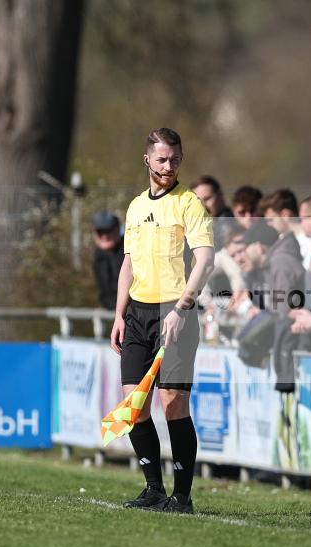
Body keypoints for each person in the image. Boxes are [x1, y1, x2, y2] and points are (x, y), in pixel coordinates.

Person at [110, 127, 215, 514]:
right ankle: (153, 489)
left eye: (174, 159)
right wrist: (119, 314)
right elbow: (128, 264)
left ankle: (182, 497)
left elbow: (205, 259)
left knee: (173, 403)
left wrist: (183, 307)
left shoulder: (189, 204)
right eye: (161, 159)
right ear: (147, 160)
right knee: (133, 405)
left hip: (176, 312)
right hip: (138, 313)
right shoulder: (136, 207)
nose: (168, 166)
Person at [91, 211, 125, 310]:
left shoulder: (129, 249)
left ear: (118, 229)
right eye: (100, 232)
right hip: (111, 310)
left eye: (109, 231)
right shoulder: (98, 255)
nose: (105, 236)